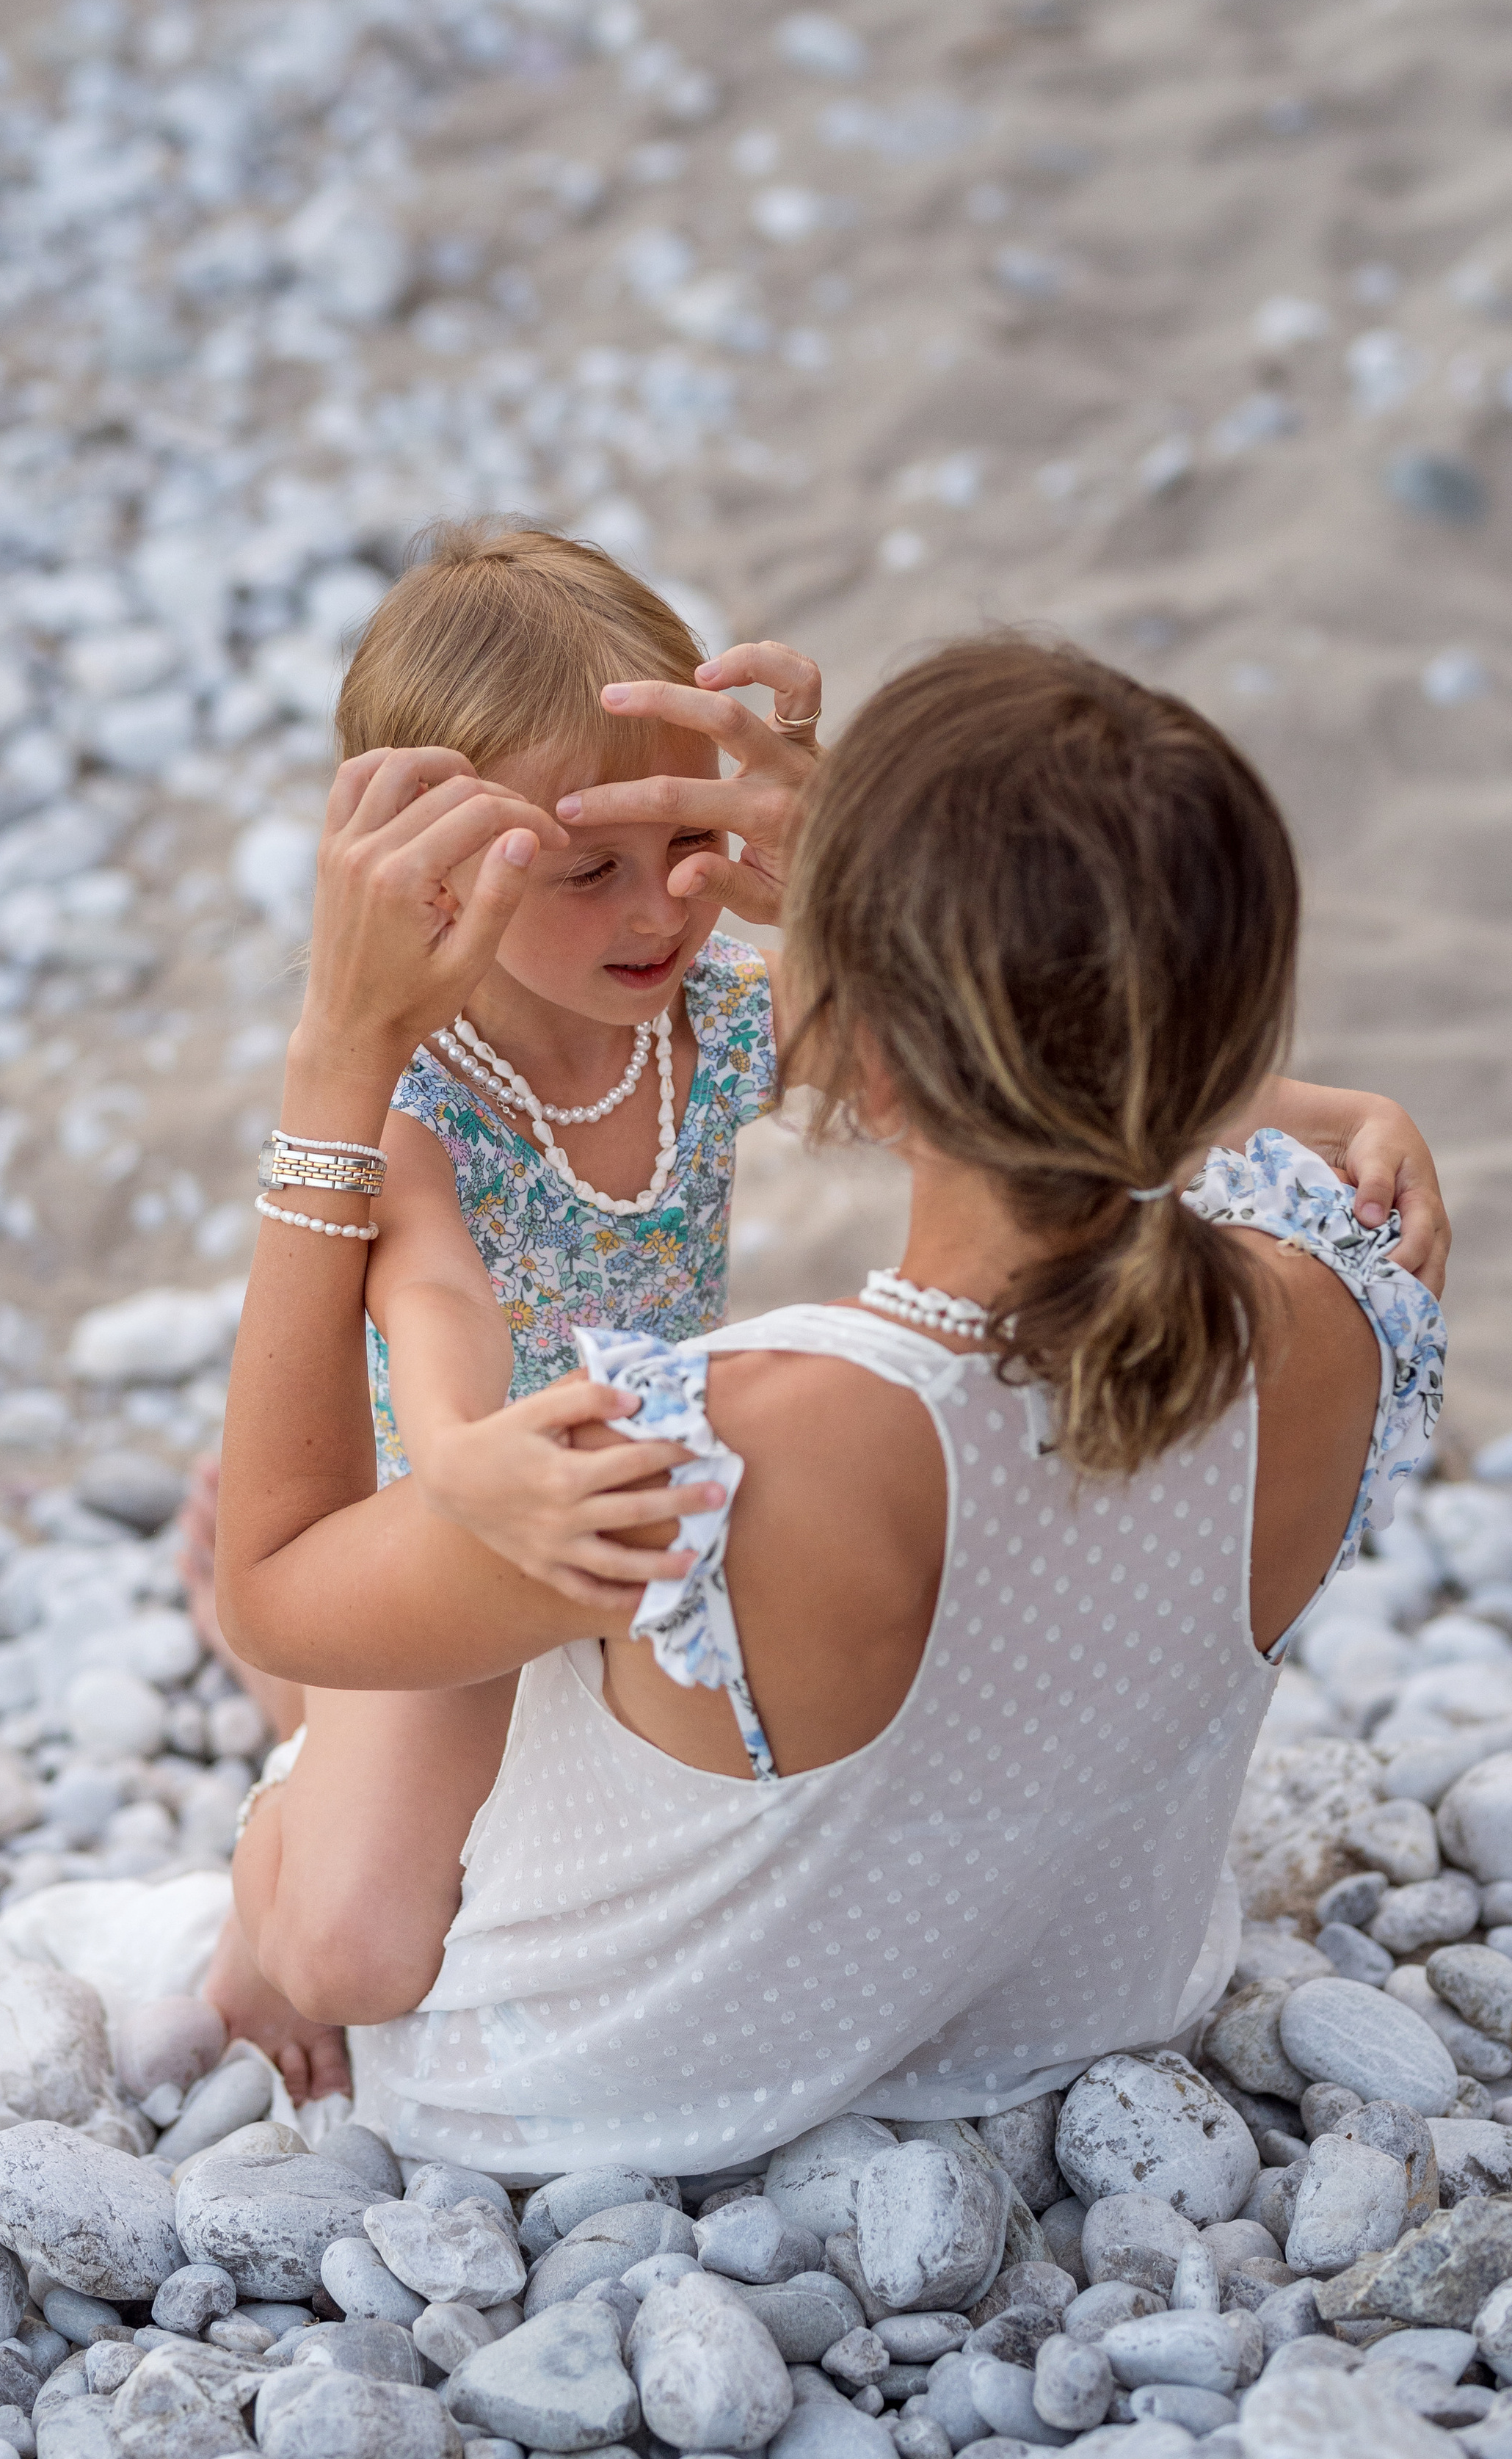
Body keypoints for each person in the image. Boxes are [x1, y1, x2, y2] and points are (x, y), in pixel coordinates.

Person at [209, 632, 1446, 2171]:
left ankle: (288, 1759)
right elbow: (1100, 1060)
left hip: (619, 2094)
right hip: (1082, 2013)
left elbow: (269, 1580)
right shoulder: (1355, 1283)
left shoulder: (705, 1460)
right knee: (380, 1728)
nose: (673, 909)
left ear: (846, 1049)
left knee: (344, 1862)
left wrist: (331, 1054)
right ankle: (304, 1749)